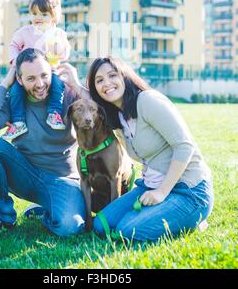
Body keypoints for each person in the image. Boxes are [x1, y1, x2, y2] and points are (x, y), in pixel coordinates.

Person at [57, 57, 214, 245]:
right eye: (99, 81)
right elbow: (91, 106)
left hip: (188, 190)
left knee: (126, 230)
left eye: (112, 75)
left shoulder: (147, 100)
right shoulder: (117, 116)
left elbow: (185, 146)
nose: (107, 83)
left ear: (124, 75)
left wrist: (162, 192)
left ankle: (188, 219)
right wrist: (75, 84)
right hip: (149, 186)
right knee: (100, 225)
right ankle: (168, 215)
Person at [0, 48, 85, 235]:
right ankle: (1, 218)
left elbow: (102, 114)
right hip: (24, 174)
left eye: (44, 76)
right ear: (19, 80)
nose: (40, 84)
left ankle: (47, 210)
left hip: (62, 180)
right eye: (31, 79)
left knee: (69, 227)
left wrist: (77, 85)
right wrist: (5, 84)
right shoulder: (15, 102)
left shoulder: (66, 95)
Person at [2, 0, 70, 141]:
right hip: (27, 74)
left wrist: (58, 49)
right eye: (34, 13)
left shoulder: (58, 34)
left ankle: (54, 114)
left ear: (54, 17)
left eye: (44, 14)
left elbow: (65, 53)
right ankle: (19, 121)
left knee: (58, 85)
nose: (38, 18)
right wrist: (15, 61)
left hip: (51, 71)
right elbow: (13, 45)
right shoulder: (25, 32)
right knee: (15, 90)